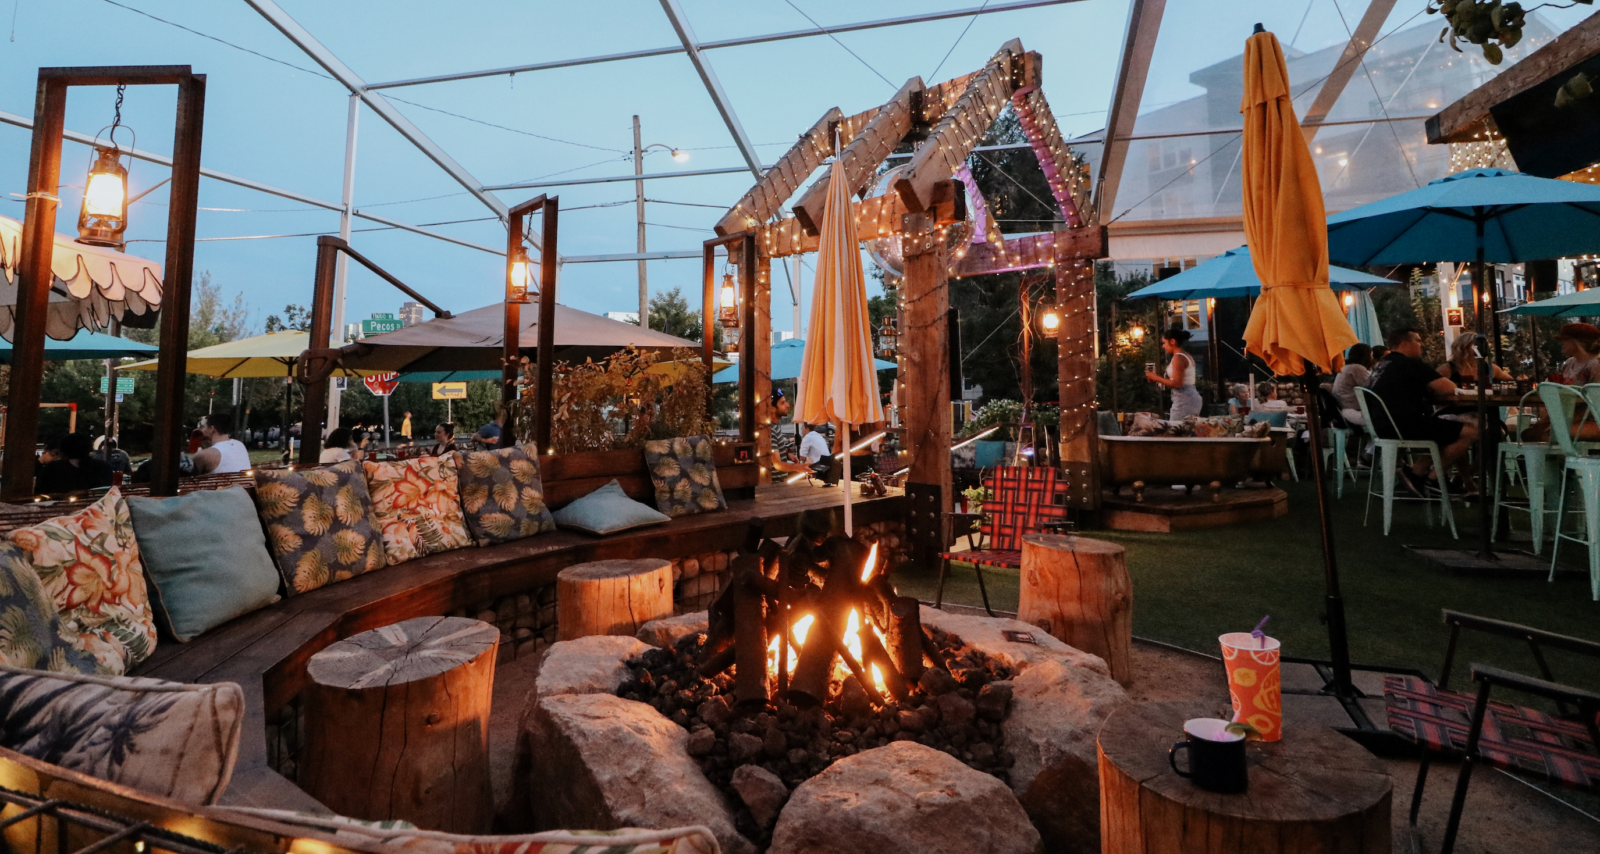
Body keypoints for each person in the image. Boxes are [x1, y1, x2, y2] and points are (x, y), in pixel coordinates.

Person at [1368, 327, 1479, 496]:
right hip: (1404, 424)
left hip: (1380, 426)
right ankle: (1432, 479)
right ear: (1405, 343)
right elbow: (1448, 388)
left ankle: (1417, 472)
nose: (1422, 344)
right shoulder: (1409, 363)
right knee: (1471, 431)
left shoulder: (1382, 364)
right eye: (1418, 340)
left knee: (1447, 430)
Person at [1145, 326, 1202, 420]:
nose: (1163, 346)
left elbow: (1177, 383)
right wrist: (1159, 379)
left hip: (1185, 399)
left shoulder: (1178, 358)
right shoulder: (1185, 355)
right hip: (1188, 397)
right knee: (1185, 431)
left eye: (1164, 343)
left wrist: (1155, 377)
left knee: (1176, 431)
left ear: (1172, 341)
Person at [35, 433, 114, 494]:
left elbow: (40, 491)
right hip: (97, 511)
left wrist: (39, 462)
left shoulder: (52, 469)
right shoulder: (104, 467)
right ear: (89, 449)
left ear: (63, 451)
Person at [1331, 343, 1375, 426]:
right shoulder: (1357, 368)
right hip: (1351, 408)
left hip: (1340, 407)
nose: (1372, 358)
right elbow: (1371, 387)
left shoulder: (1346, 367)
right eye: (1371, 355)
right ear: (1366, 356)